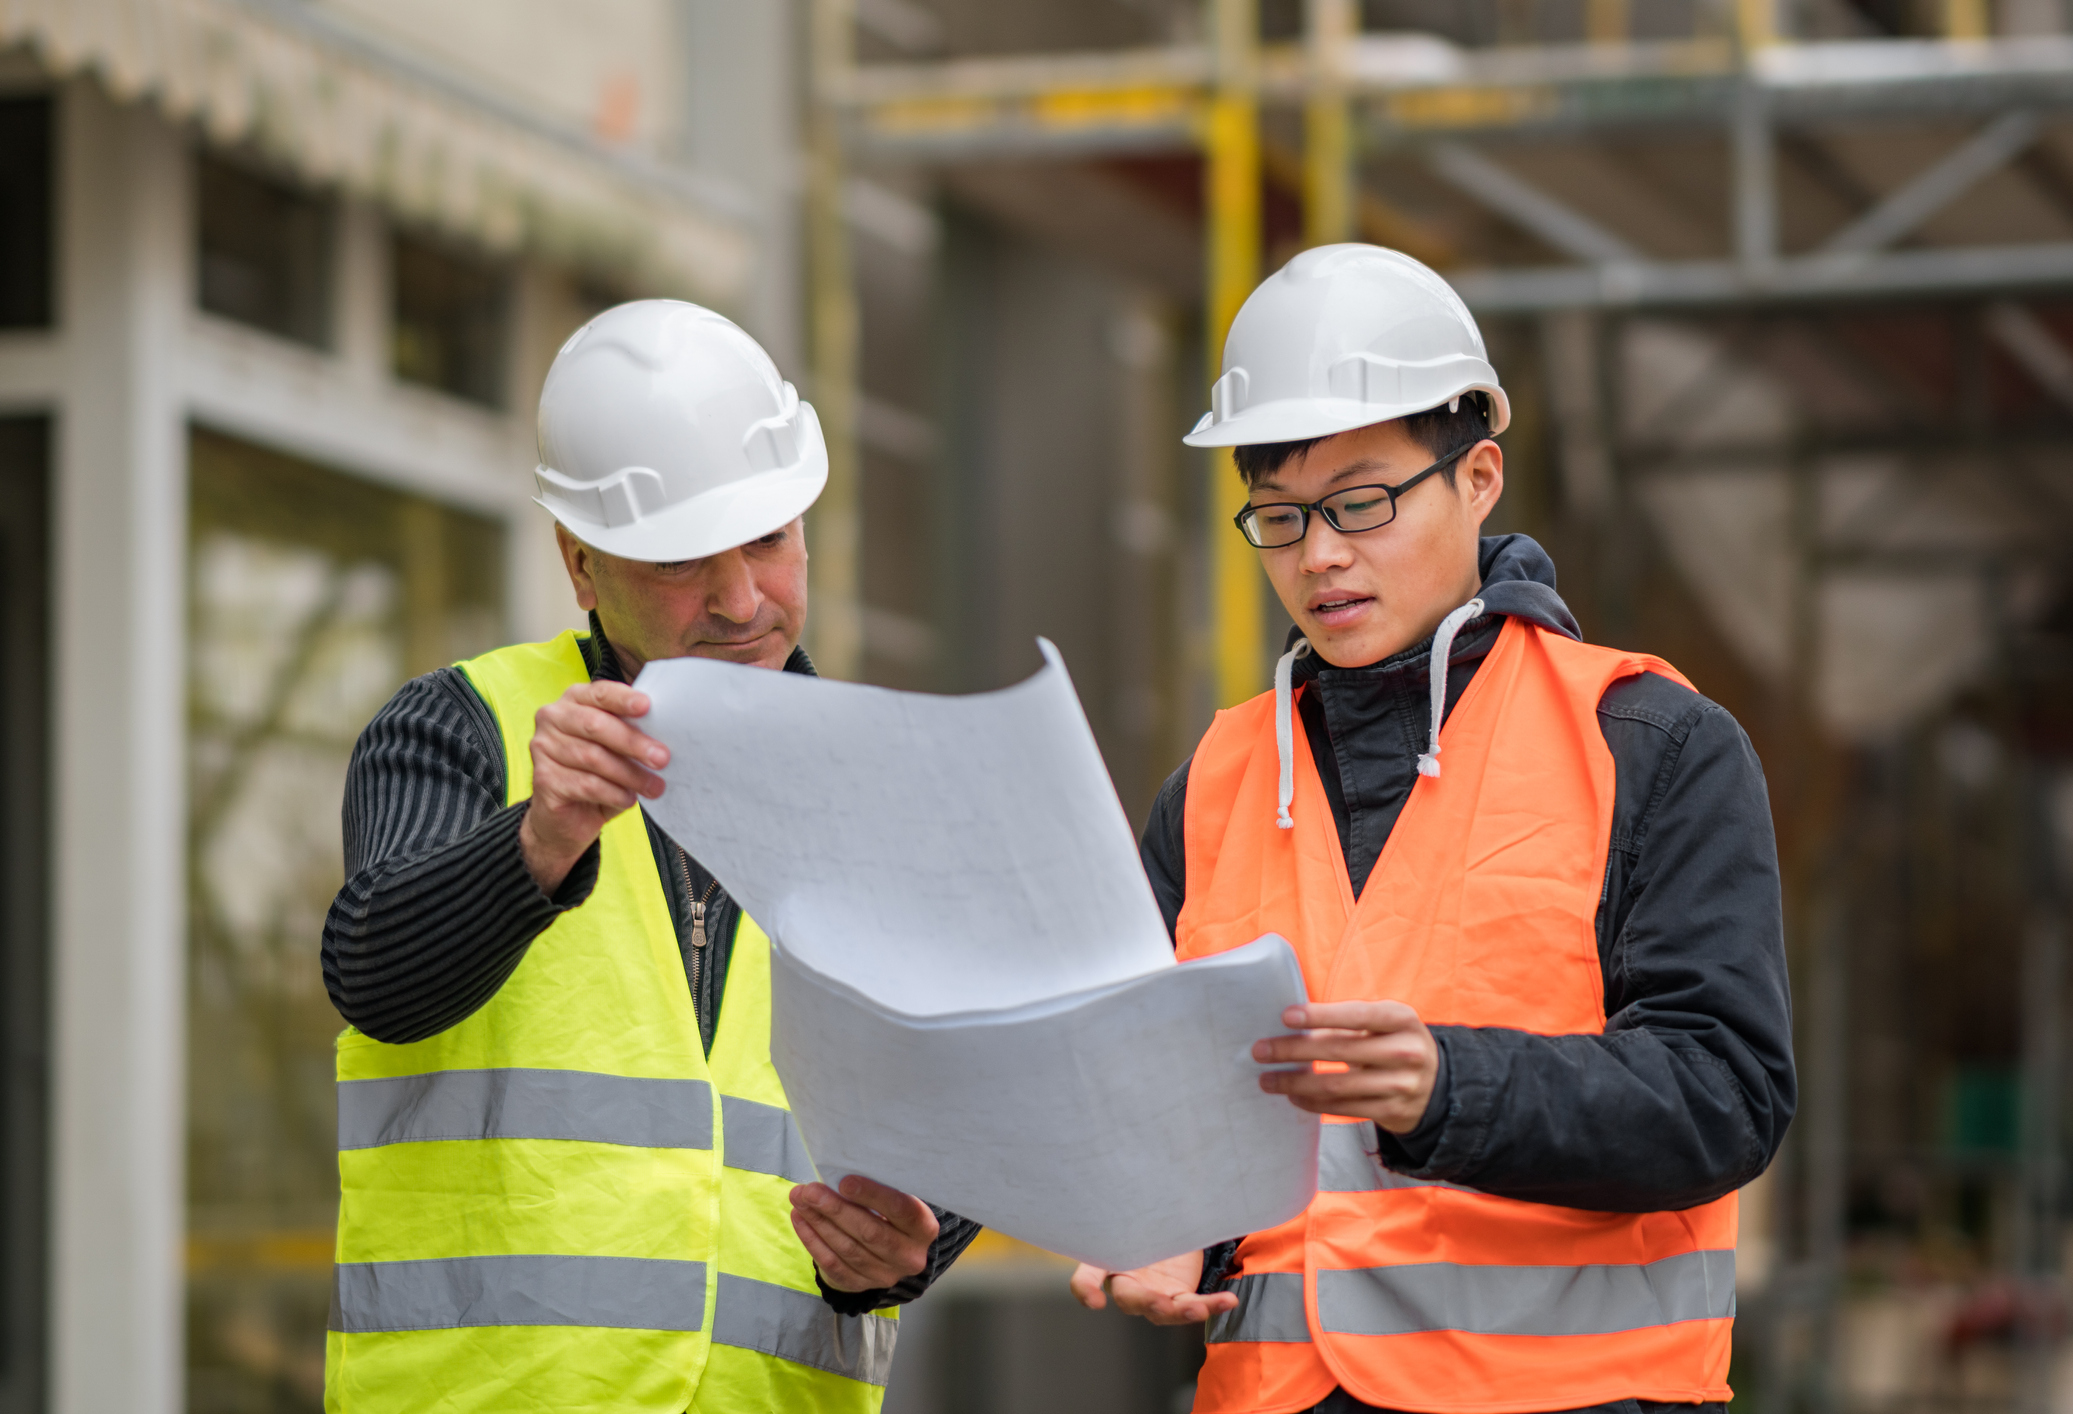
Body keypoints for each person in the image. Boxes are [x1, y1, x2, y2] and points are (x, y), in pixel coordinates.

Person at [1070, 245, 1796, 1414]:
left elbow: (1725, 1093)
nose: (1320, 555)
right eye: (1280, 515)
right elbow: (1158, 1103)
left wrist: (1447, 1086)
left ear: (1480, 476)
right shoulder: (1215, 782)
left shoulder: (1649, 743)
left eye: (1362, 503)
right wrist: (1166, 1231)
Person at [320, 300, 977, 1413]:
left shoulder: (885, 791)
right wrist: (541, 837)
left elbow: (962, 1109)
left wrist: (912, 1245)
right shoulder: (461, 727)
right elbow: (379, 979)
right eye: (680, 559)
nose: (739, 602)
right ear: (582, 565)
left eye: (767, 540)